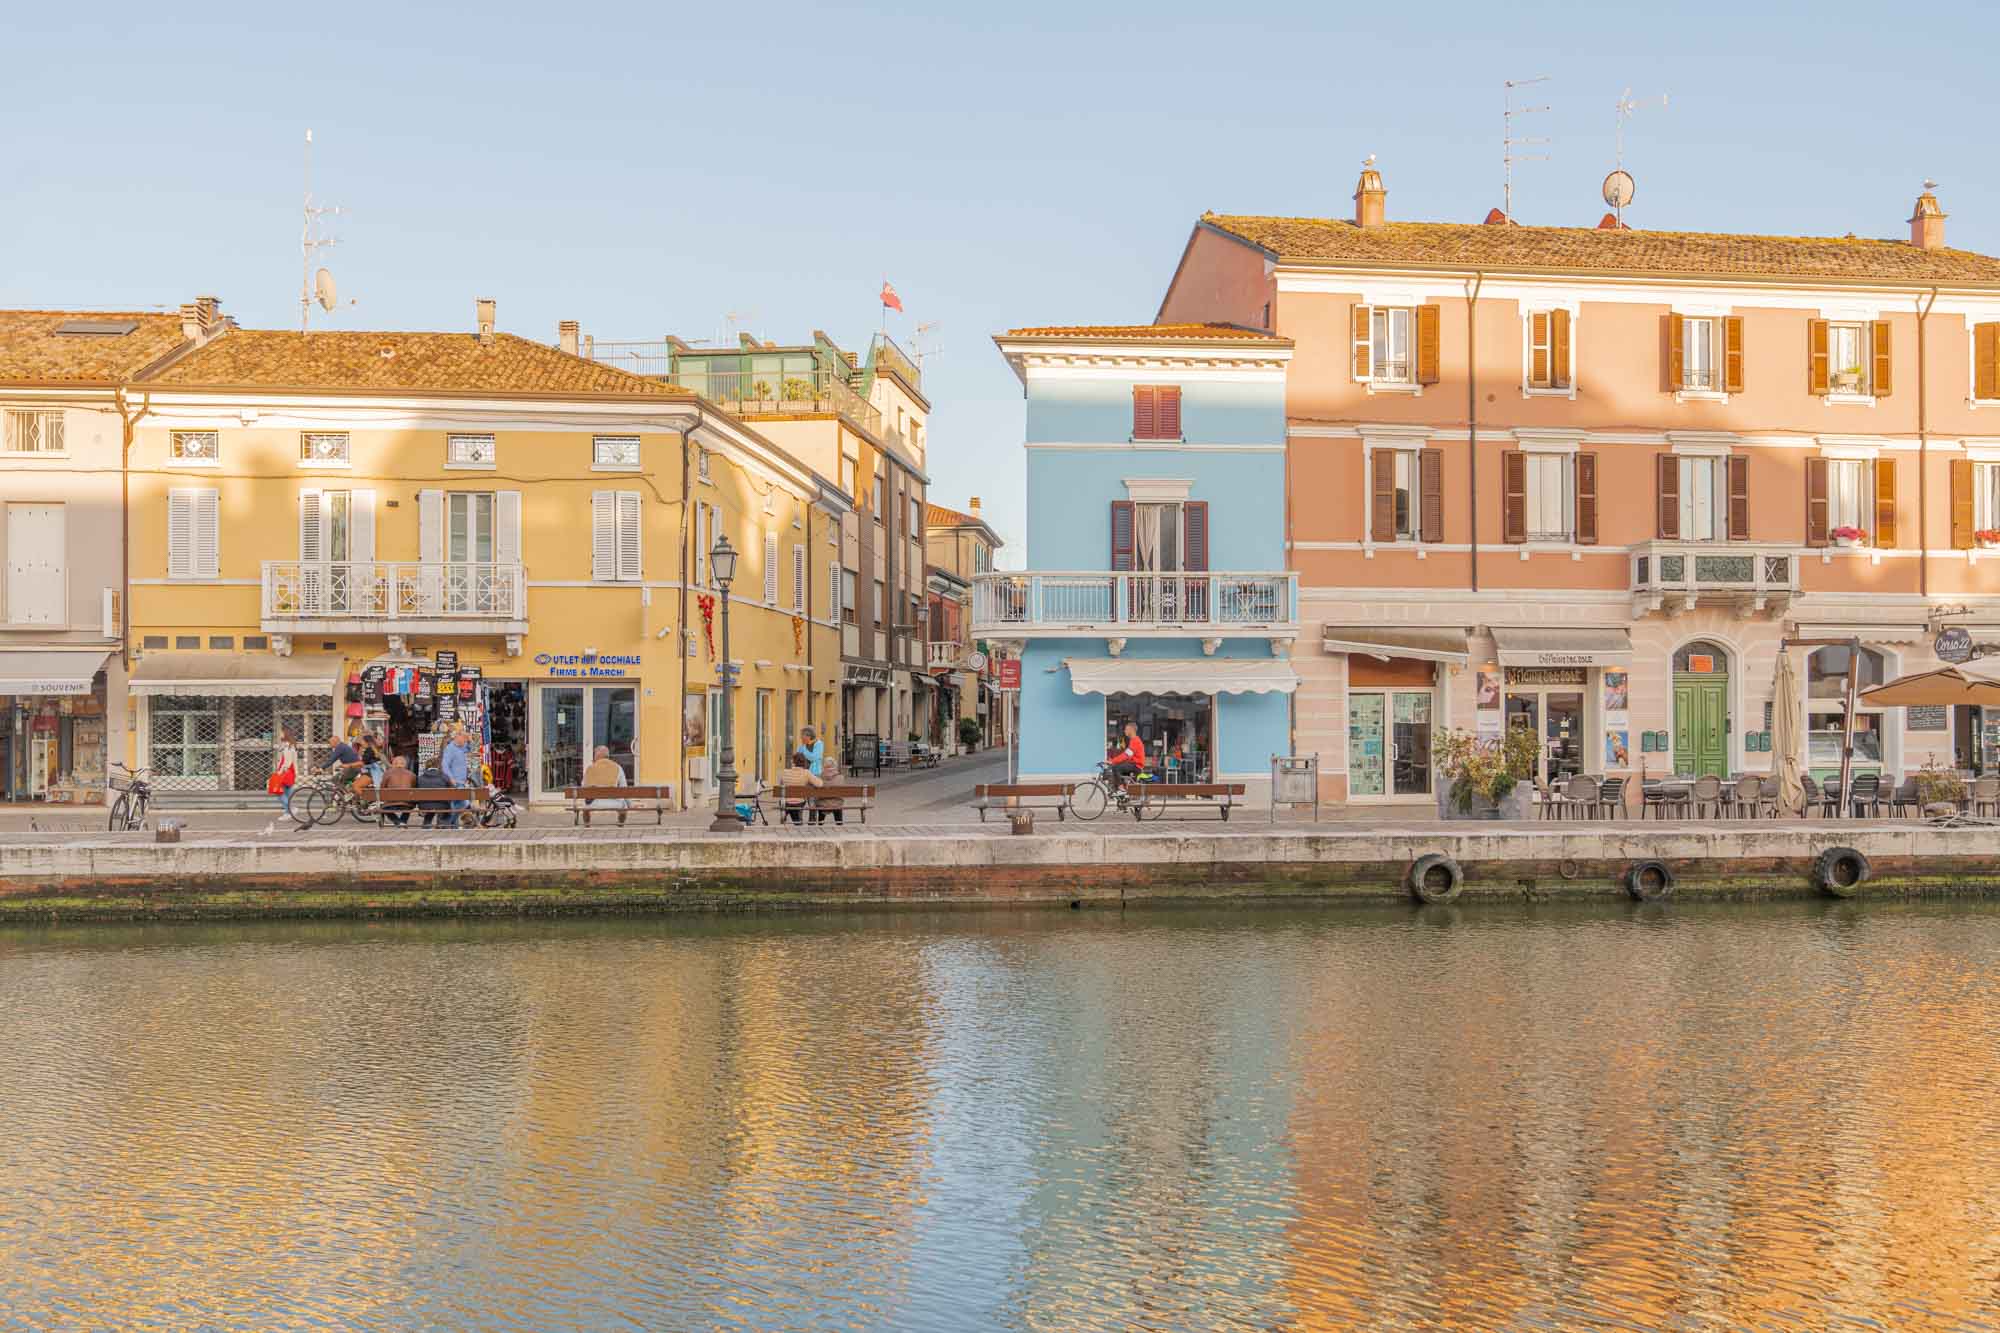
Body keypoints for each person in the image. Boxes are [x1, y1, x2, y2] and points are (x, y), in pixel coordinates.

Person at [580, 744, 629, 827]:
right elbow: (624, 788)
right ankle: (621, 823)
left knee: (585, 806)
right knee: (624, 803)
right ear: (607, 755)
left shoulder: (590, 768)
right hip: (616, 803)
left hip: (593, 804)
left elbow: (583, 787)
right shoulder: (618, 767)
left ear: (597, 756)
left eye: (594, 755)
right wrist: (630, 805)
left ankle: (587, 824)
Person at [438, 726, 472, 825]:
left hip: (461, 782)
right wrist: (451, 778)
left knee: (456, 805)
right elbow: (445, 765)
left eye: (466, 739)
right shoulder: (450, 749)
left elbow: (470, 748)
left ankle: (451, 825)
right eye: (464, 738)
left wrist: (469, 741)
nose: (465, 740)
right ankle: (447, 823)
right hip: (455, 783)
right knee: (464, 803)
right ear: (457, 736)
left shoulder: (461, 747)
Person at [778, 749, 822, 824]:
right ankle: (799, 820)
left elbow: (781, 784)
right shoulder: (806, 773)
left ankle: (787, 812)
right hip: (799, 802)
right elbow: (819, 784)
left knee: (790, 802)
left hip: (785, 801)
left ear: (793, 762)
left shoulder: (785, 772)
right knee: (805, 799)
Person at [377, 755, 417, 827]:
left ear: (393, 764)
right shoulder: (412, 774)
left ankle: (397, 821)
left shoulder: (387, 773)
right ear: (405, 764)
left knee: (384, 807)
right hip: (406, 803)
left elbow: (382, 788)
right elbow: (414, 788)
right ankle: (403, 821)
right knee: (409, 805)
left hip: (391, 803)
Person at [1107, 722, 1146, 789]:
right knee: (1117, 767)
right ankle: (1124, 791)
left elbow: (1126, 755)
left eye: (1126, 729)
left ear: (1131, 730)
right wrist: (1115, 760)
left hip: (1136, 766)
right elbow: (1127, 755)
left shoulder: (1135, 741)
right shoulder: (1133, 740)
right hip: (1133, 764)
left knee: (1115, 768)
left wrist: (1113, 761)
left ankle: (1121, 788)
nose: (1124, 731)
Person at [270, 727, 299, 812]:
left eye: (281, 733)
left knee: (279, 792)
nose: (279, 735)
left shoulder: (288, 746)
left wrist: (280, 772)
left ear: (285, 734)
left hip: (286, 773)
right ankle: (288, 812)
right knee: (287, 794)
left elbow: (287, 762)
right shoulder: (289, 745)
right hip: (289, 773)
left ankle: (291, 809)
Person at [327, 729, 365, 795]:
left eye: (330, 743)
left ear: (335, 741)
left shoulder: (340, 747)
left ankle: (347, 796)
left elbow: (331, 760)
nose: (329, 744)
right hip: (355, 768)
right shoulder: (342, 746)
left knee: (335, 779)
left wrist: (320, 768)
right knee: (345, 781)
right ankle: (350, 795)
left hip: (353, 768)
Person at [813, 754, 845, 825]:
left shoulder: (819, 777)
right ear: (835, 766)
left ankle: (820, 823)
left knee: (819, 800)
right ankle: (839, 823)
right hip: (837, 803)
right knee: (837, 802)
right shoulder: (841, 778)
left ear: (824, 766)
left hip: (822, 804)